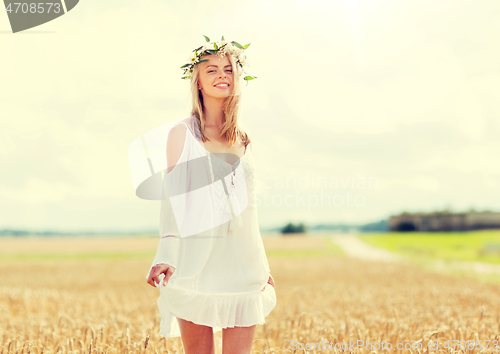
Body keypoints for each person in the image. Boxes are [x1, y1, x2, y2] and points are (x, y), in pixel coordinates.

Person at [144, 36, 276, 354]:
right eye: (212, 69)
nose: (222, 75)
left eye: (229, 69)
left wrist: (263, 264)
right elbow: (172, 202)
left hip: (242, 261)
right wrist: (165, 253)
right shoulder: (182, 134)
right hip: (195, 260)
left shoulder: (244, 138)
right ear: (198, 81)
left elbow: (250, 210)